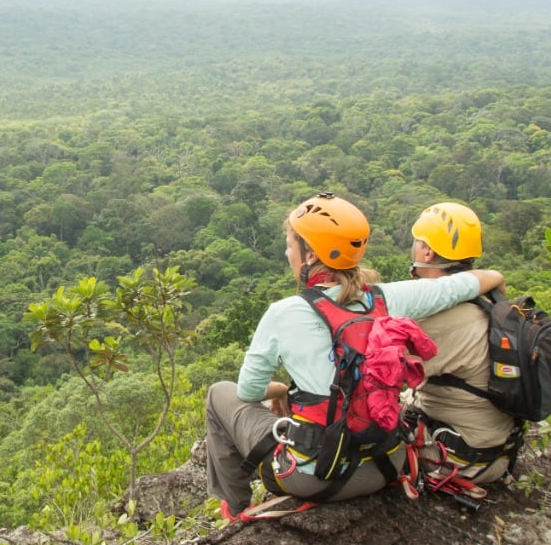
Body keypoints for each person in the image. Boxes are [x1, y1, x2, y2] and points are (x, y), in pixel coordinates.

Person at [205, 193, 505, 520]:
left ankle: (235, 509)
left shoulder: (284, 313)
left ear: (310, 255)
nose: (287, 251)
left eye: (291, 244)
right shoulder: (388, 298)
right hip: (385, 466)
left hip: (312, 477)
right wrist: (498, 279)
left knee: (219, 393)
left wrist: (278, 390)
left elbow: (248, 392)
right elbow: (464, 284)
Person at [406, 202, 520, 485]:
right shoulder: (488, 298)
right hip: (496, 447)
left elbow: (377, 378)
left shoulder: (442, 319)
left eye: (417, 242)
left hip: (463, 459)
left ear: (427, 252)